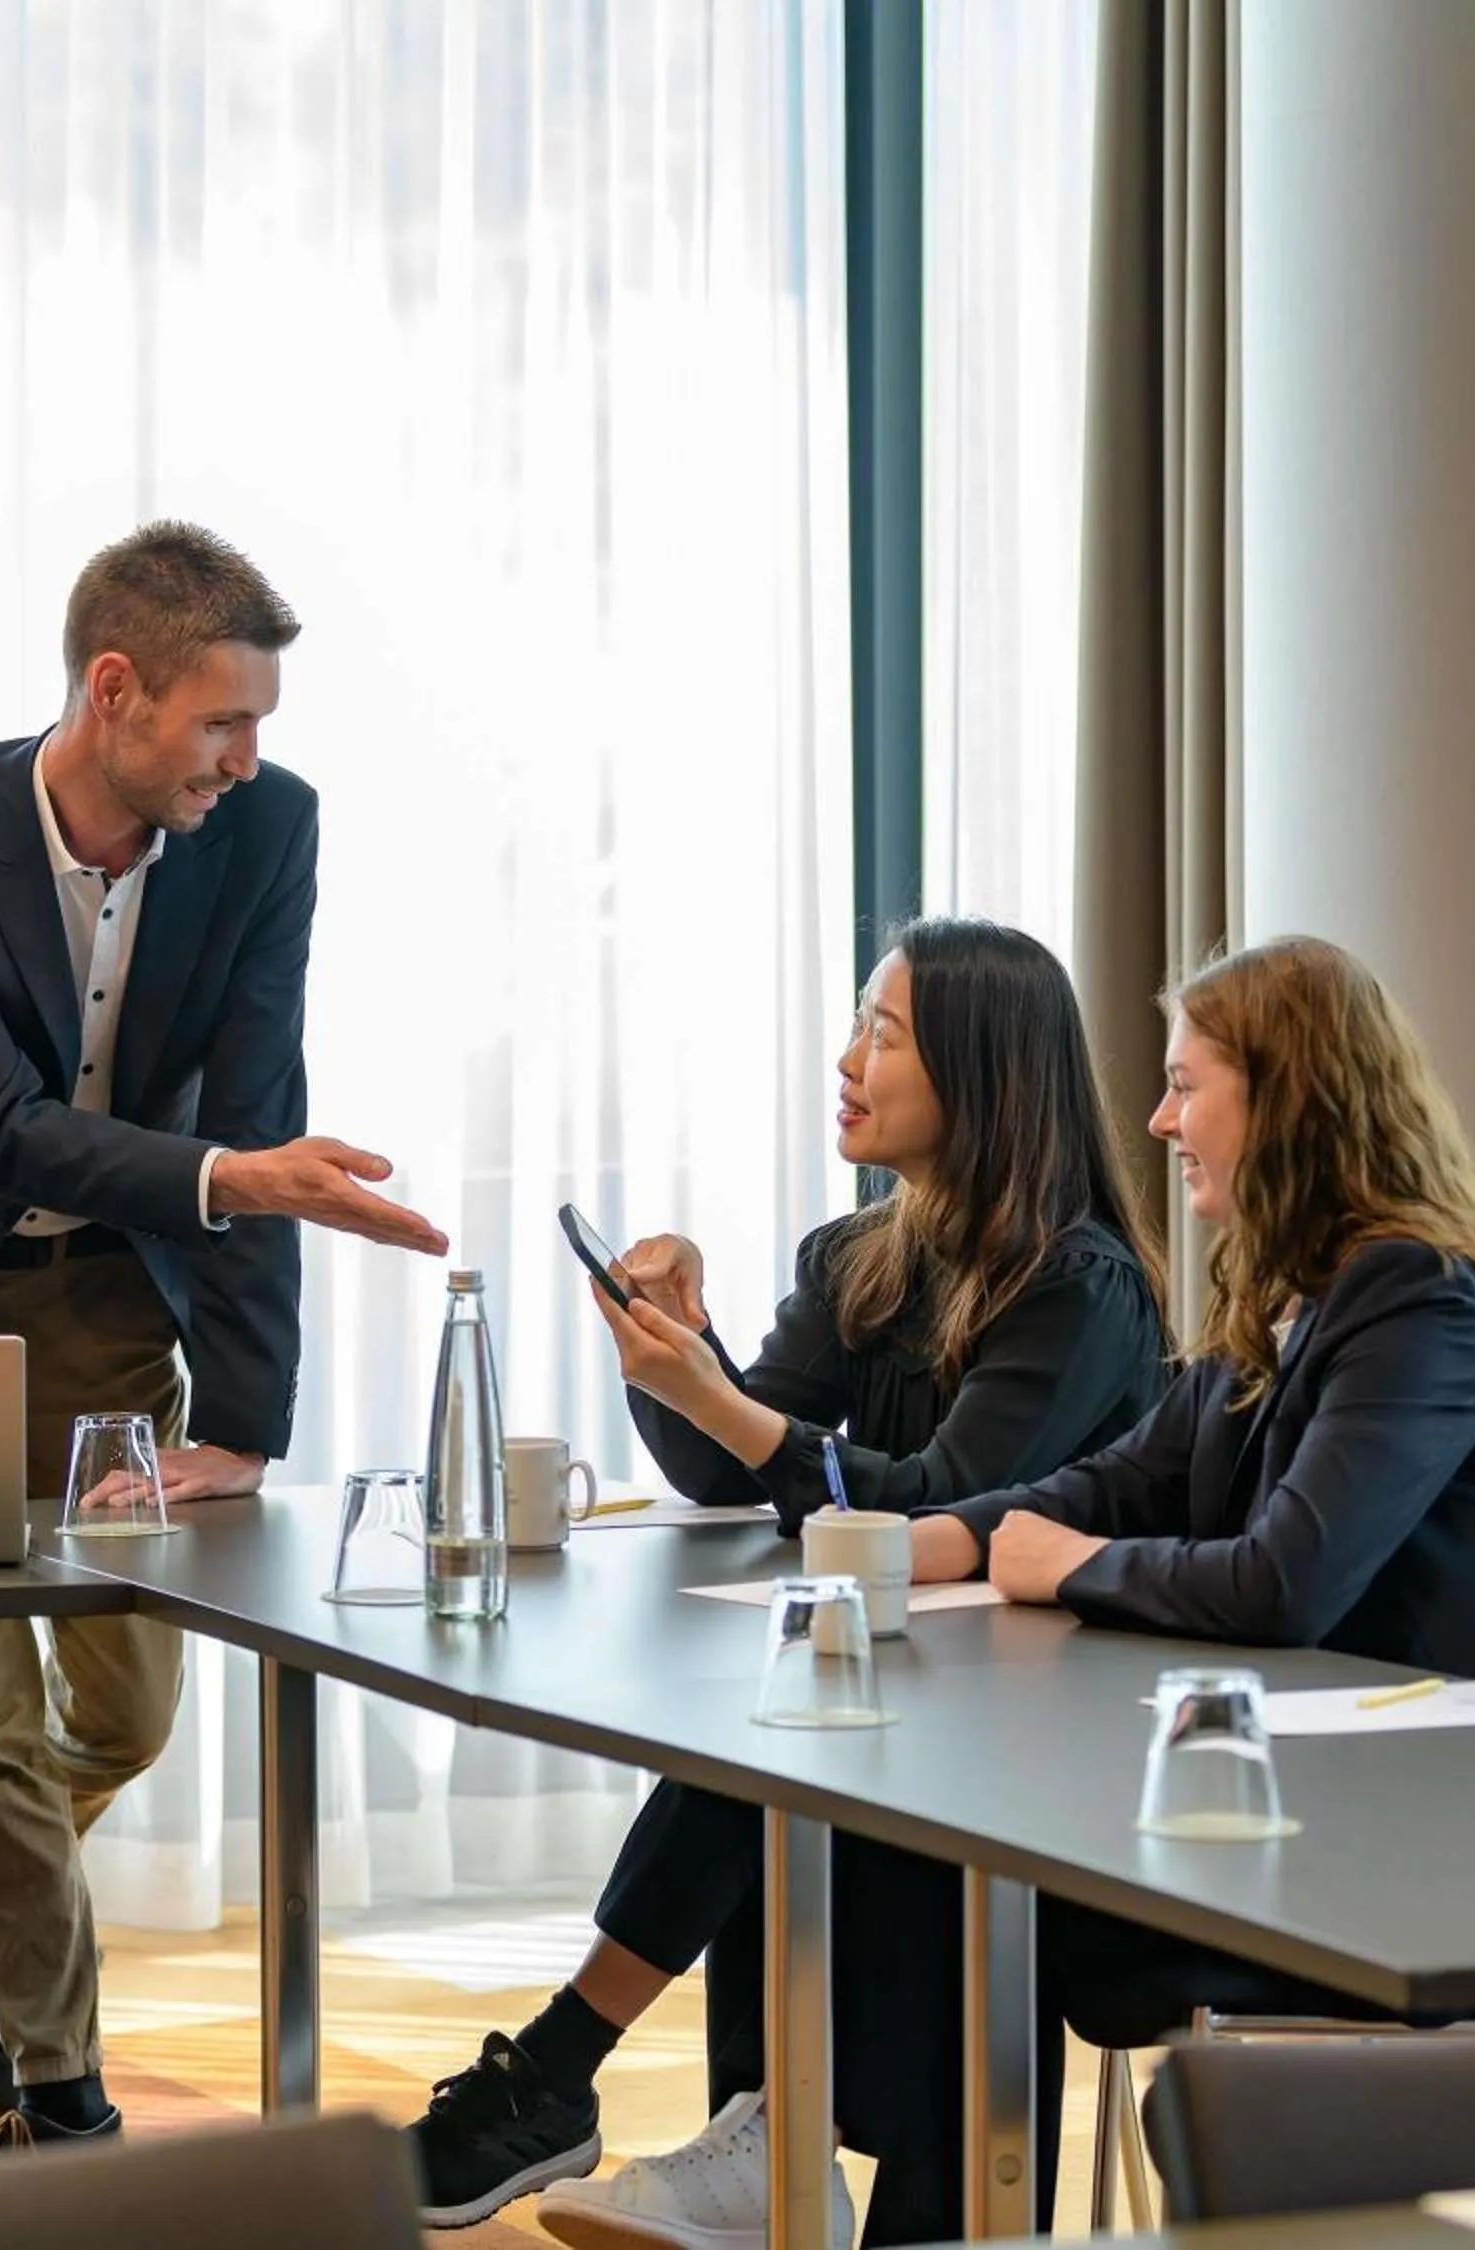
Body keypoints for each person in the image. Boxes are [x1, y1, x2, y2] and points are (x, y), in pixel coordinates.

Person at [0, 521, 447, 2157]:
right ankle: (62, 2105)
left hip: (111, 1299)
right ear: (114, 689)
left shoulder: (267, 829)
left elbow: (258, 1095)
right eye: (224, 721)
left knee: (125, 1711)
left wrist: (250, 1417)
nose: (250, 756)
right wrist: (227, 1175)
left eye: (263, 723)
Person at [406, 919, 1171, 2247]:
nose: (846, 1057)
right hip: (916, 1708)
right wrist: (683, 1353)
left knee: (796, 1741)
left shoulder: (1080, 1286)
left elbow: (939, 1504)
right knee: (785, 1735)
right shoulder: (859, 1254)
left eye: (883, 1033)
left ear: (983, 1075)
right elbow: (739, 1467)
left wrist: (723, 1401)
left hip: (1061, 1738)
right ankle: (752, 2136)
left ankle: (607, 2085)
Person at [906, 933, 1475, 2050]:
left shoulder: (1422, 1298)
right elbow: (1133, 1474)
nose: (1159, 1123)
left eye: (1183, 1087)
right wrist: (944, 1541)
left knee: (1004, 1890)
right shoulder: (1299, 1281)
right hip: (1361, 1773)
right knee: (956, 1861)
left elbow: (1285, 1584)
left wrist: (1075, 1568)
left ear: (1286, 1101)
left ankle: (923, 2211)